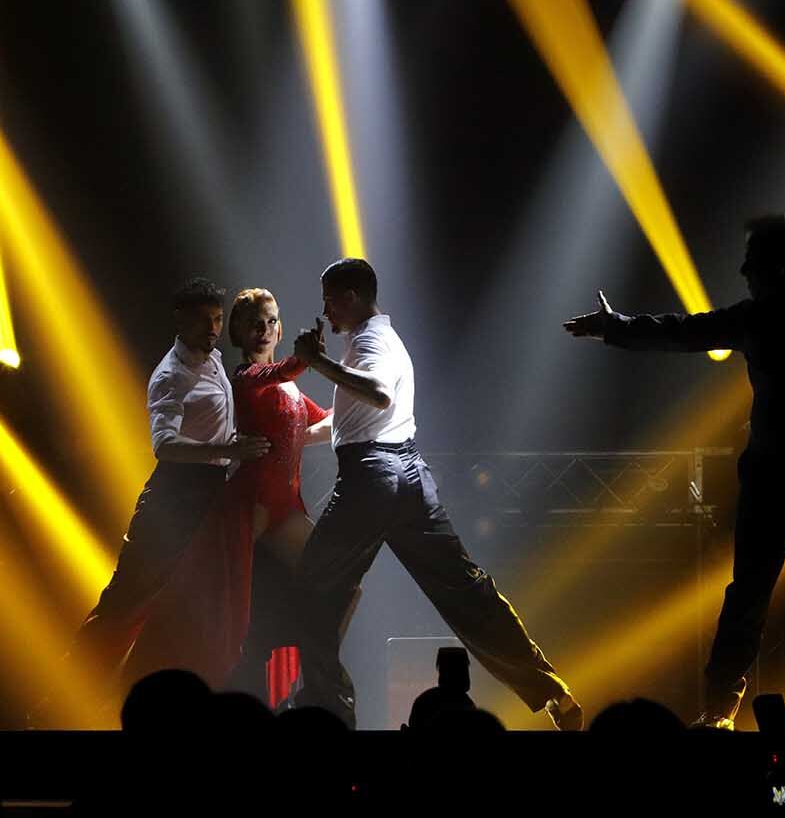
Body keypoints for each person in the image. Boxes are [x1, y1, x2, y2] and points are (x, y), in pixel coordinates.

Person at [564, 215, 785, 731]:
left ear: (776, 265)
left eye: (751, 262)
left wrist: (615, 328)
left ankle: (721, 715)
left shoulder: (774, 315)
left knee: (760, 595)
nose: (742, 270)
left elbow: (685, 333)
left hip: (783, 472)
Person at [291, 258, 582, 730]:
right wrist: (297, 436)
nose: (324, 310)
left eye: (329, 298)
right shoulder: (375, 341)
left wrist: (316, 363)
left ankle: (330, 717)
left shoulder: (371, 341)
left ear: (351, 297)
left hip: (373, 478)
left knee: (312, 586)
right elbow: (353, 419)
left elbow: (379, 395)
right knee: (463, 589)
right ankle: (550, 690)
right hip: (406, 474)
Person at [53, 278, 269, 719]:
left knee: (190, 609)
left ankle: (159, 706)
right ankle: (63, 697)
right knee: (126, 600)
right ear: (180, 319)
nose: (212, 328)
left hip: (209, 495)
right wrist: (230, 450)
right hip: (174, 492)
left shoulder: (213, 361)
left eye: (216, 319)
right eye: (203, 320)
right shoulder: (170, 375)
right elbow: (164, 446)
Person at [128, 288, 335, 699]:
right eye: (254, 323)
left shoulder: (291, 387)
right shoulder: (244, 378)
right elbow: (275, 374)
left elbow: (323, 425)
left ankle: (316, 670)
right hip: (250, 500)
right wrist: (305, 360)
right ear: (238, 333)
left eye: (272, 322)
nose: (265, 330)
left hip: (287, 503)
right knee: (228, 611)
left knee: (339, 581)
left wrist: (356, 395)